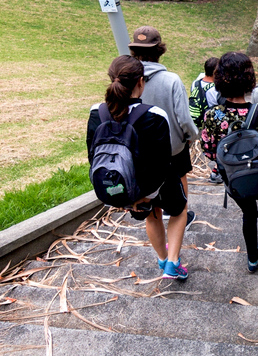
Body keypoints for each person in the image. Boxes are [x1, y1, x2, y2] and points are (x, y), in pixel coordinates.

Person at [86, 55, 189, 279]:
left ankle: (162, 259)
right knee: (179, 211)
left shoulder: (97, 113)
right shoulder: (154, 115)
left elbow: (93, 156)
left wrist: (131, 197)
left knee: (152, 216)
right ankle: (172, 263)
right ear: (140, 82)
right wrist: (149, 195)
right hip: (157, 183)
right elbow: (162, 162)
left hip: (124, 184)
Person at [201, 52, 258, 273]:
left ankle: (252, 257)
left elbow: (209, 152)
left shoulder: (212, 116)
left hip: (236, 180)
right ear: (249, 79)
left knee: (249, 214)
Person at [129, 26, 198, 227]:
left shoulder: (128, 80)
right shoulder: (172, 80)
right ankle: (180, 215)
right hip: (173, 148)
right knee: (180, 181)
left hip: (141, 151)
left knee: (152, 211)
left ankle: (159, 220)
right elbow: (184, 119)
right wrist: (192, 136)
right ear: (160, 50)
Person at [189, 57, 223, 184]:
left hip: (196, 121)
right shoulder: (215, 89)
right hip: (210, 123)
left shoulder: (195, 83)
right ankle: (216, 170)